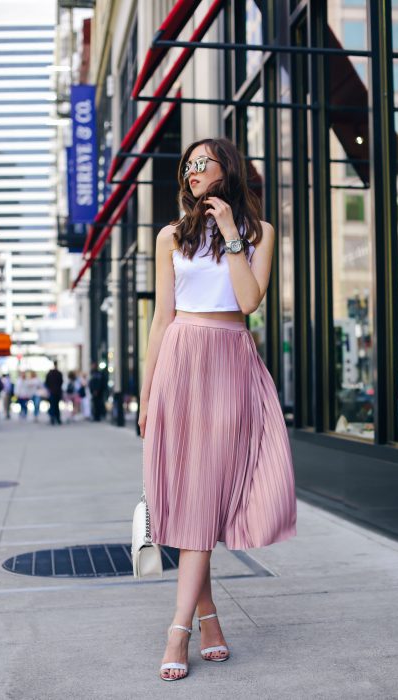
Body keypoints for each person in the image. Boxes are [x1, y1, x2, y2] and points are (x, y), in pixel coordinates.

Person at [139, 138, 297, 682]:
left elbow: (250, 301)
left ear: (226, 170)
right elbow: (162, 318)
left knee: (205, 492)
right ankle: (206, 621)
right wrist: (147, 390)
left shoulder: (259, 234)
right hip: (181, 363)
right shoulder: (169, 236)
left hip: (230, 363)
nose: (192, 170)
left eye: (203, 162)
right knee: (189, 497)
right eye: (188, 164)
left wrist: (231, 231)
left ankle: (177, 627)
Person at [45, 361, 63, 425]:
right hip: (56, 391)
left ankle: (54, 418)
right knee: (55, 405)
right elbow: (61, 382)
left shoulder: (50, 373)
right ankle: (56, 418)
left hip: (53, 391)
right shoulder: (58, 373)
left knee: (53, 405)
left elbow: (46, 383)